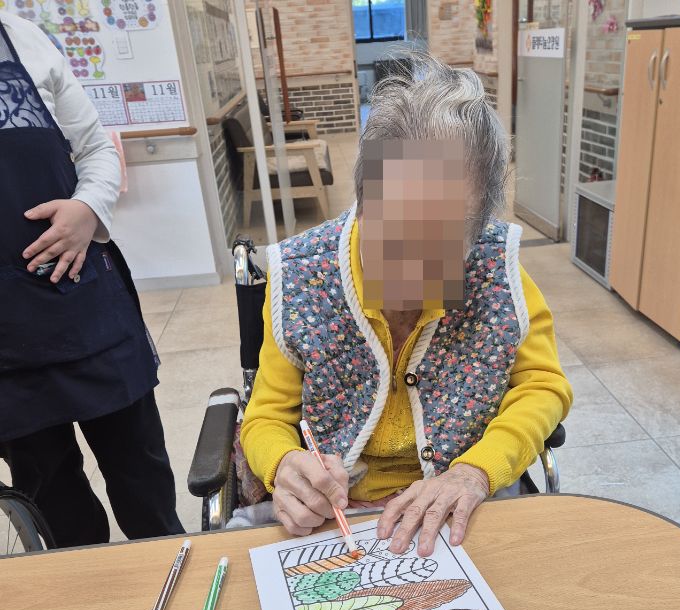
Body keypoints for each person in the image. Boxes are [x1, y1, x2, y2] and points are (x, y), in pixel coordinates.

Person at [240, 53, 572, 557]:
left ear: (478, 233)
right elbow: (265, 417)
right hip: (335, 515)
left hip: (458, 502)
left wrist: (475, 471)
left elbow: (542, 386)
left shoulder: (496, 272)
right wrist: (283, 464)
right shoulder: (305, 274)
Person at [0, 11, 184, 547]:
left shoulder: (28, 41)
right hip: (8, 351)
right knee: (55, 501)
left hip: (87, 309)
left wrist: (87, 209)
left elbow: (97, 150)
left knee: (144, 482)